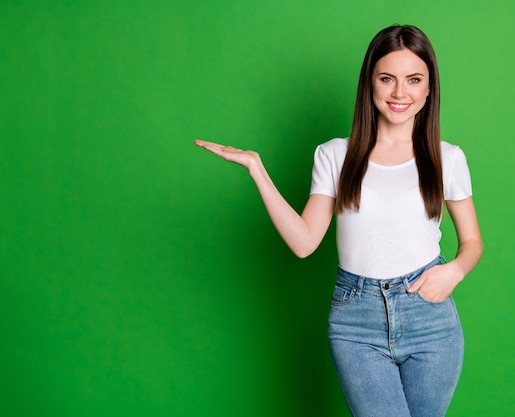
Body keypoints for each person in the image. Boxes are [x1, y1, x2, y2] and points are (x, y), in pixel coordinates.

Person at [195, 24, 483, 417]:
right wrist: (257, 170)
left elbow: (472, 243)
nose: (400, 93)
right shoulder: (334, 155)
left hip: (430, 318)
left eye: (414, 80)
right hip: (356, 319)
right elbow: (304, 242)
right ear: (370, 83)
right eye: (387, 79)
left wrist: (454, 272)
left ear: (429, 88)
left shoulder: (447, 157)